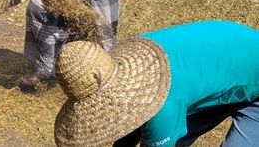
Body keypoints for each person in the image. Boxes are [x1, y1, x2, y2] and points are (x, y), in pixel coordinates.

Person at [54, 20, 259, 147]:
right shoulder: (133, 62)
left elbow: (153, 123)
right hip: (222, 74)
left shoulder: (163, 107)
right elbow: (134, 122)